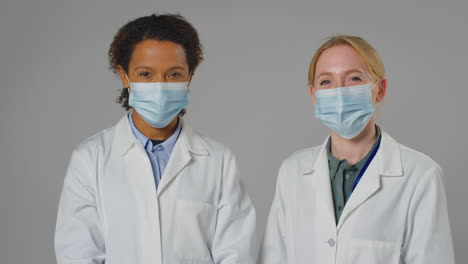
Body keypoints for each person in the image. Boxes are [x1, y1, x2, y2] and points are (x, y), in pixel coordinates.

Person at [54, 14, 256, 264]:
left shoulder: (219, 161)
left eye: (173, 75)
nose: (159, 86)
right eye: (146, 74)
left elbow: (236, 253)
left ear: (189, 77)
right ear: (124, 76)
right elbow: (78, 253)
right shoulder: (89, 159)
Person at [259, 35, 454, 264]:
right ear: (314, 96)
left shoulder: (421, 175)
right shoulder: (292, 172)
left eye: (353, 78)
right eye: (326, 82)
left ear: (380, 89)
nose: (339, 93)